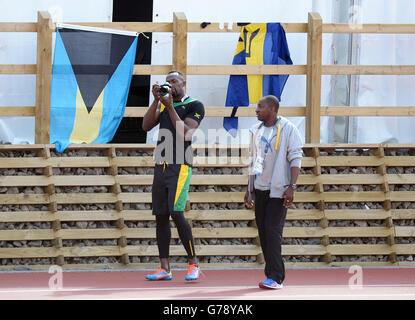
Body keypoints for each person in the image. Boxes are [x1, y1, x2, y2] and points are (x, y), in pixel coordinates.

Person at [142, 70, 205, 281]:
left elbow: (186, 133)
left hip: (180, 165)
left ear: (183, 82)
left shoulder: (195, 105)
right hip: (161, 163)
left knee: (177, 213)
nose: (170, 85)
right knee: (160, 215)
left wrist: (169, 106)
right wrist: (156, 101)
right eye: (167, 82)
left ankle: (193, 264)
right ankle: (164, 268)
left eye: (174, 81)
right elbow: (146, 125)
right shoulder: (164, 104)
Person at [244, 95, 303, 289]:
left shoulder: (288, 129)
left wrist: (291, 187)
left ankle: (277, 277)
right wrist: (250, 188)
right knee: (263, 232)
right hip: (260, 189)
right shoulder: (256, 130)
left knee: (272, 231)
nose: (256, 110)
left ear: (272, 109)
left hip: (278, 190)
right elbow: (255, 160)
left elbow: (295, 158)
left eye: (260, 107)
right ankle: (270, 275)